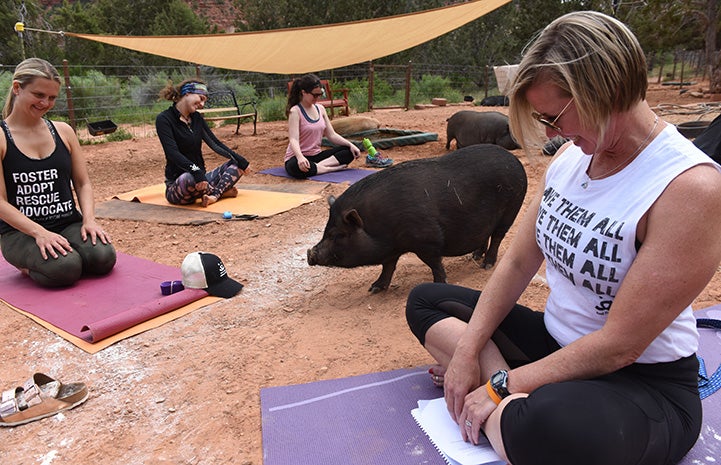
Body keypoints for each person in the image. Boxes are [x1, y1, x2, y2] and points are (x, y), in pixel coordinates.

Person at [405, 11, 721, 465]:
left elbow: (620, 346)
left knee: (547, 425)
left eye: (555, 117)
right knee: (426, 301)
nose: (553, 133)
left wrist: (496, 388)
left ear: (605, 92)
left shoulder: (689, 187)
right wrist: (472, 354)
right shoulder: (572, 159)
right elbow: (516, 264)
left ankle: (511, 403)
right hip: (557, 348)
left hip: (641, 383)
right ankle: (505, 397)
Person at [0, 58, 116, 288]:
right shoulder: (2, 136)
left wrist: (89, 220)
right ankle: (26, 264)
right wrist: (39, 232)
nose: (46, 103)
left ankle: (64, 253)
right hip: (21, 232)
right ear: (17, 88)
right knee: (65, 268)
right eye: (39, 95)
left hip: (66, 222)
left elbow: (83, 183)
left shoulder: (63, 131)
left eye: (52, 97)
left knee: (103, 257)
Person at [156, 79, 251, 207]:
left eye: (204, 100)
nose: (202, 104)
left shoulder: (197, 119)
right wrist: (196, 171)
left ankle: (213, 195)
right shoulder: (164, 119)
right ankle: (220, 192)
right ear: (187, 93)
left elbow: (215, 144)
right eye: (200, 98)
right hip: (179, 186)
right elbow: (172, 153)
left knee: (236, 164)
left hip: (202, 179)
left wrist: (240, 160)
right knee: (189, 177)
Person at [284, 74, 368, 178]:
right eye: (314, 95)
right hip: (297, 157)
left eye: (320, 94)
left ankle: (317, 168)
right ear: (303, 92)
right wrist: (300, 157)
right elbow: (293, 139)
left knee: (348, 152)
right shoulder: (295, 111)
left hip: (316, 156)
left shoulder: (321, 109)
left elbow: (331, 135)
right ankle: (329, 169)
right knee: (294, 167)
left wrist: (350, 144)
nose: (317, 98)